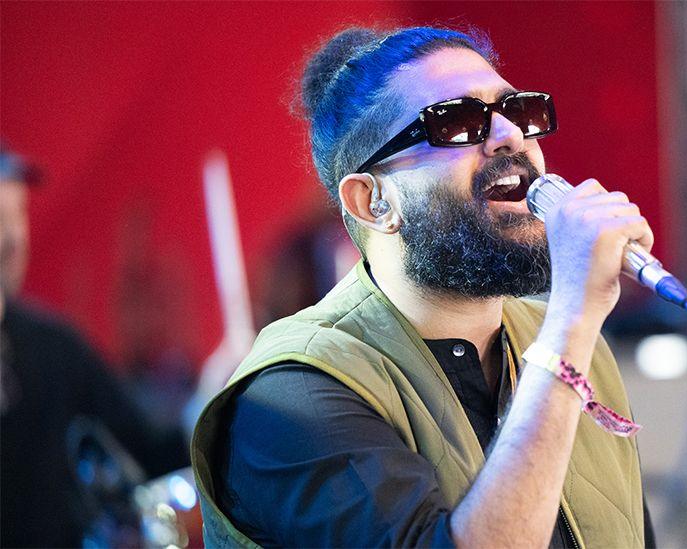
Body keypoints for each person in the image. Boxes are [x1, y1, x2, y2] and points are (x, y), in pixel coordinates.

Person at [192, 26, 657, 548]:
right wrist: (571, 325)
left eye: (519, 112)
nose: (510, 136)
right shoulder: (293, 396)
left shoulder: (576, 346)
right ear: (373, 202)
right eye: (457, 122)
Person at [0, 144, 189, 546]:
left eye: (18, 215)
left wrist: (216, 405)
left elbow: (148, 445)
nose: (13, 238)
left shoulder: (50, 344)